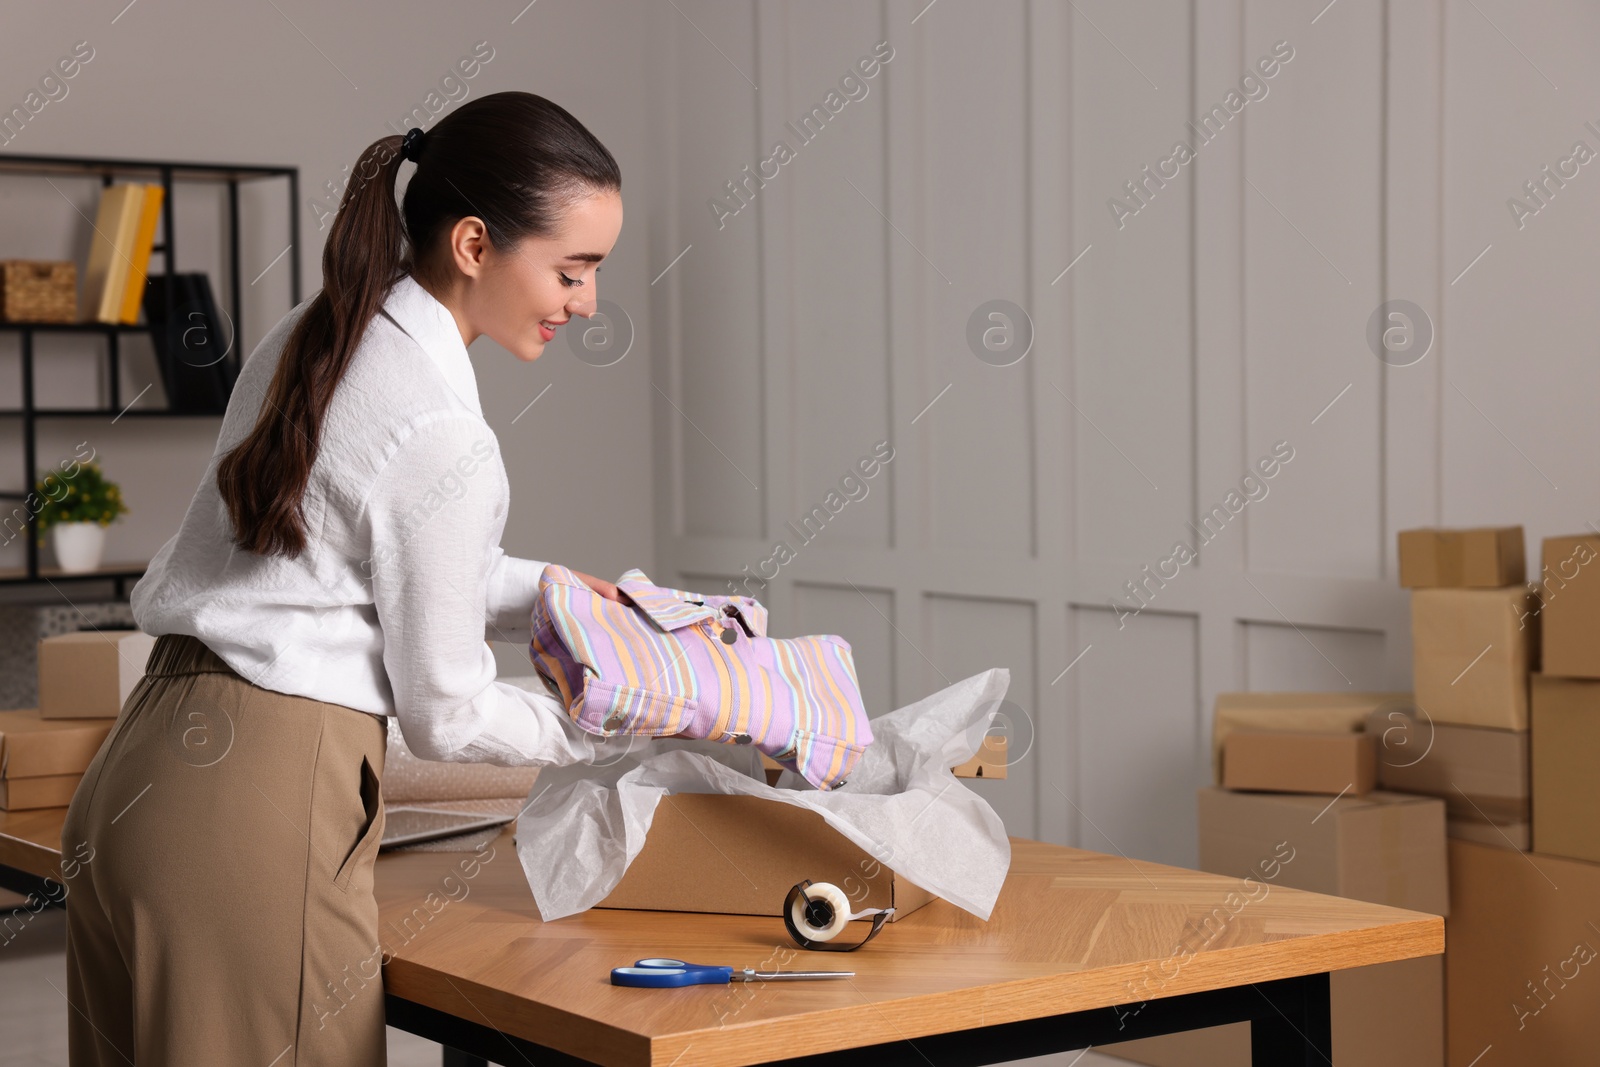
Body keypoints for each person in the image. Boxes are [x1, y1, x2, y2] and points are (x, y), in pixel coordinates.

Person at [59, 90, 625, 1066]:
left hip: (141, 775)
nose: (586, 303)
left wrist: (566, 599)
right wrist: (609, 710)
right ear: (477, 244)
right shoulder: (442, 430)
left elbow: (360, 561)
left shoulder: (318, 332)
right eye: (572, 270)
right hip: (254, 805)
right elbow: (445, 711)